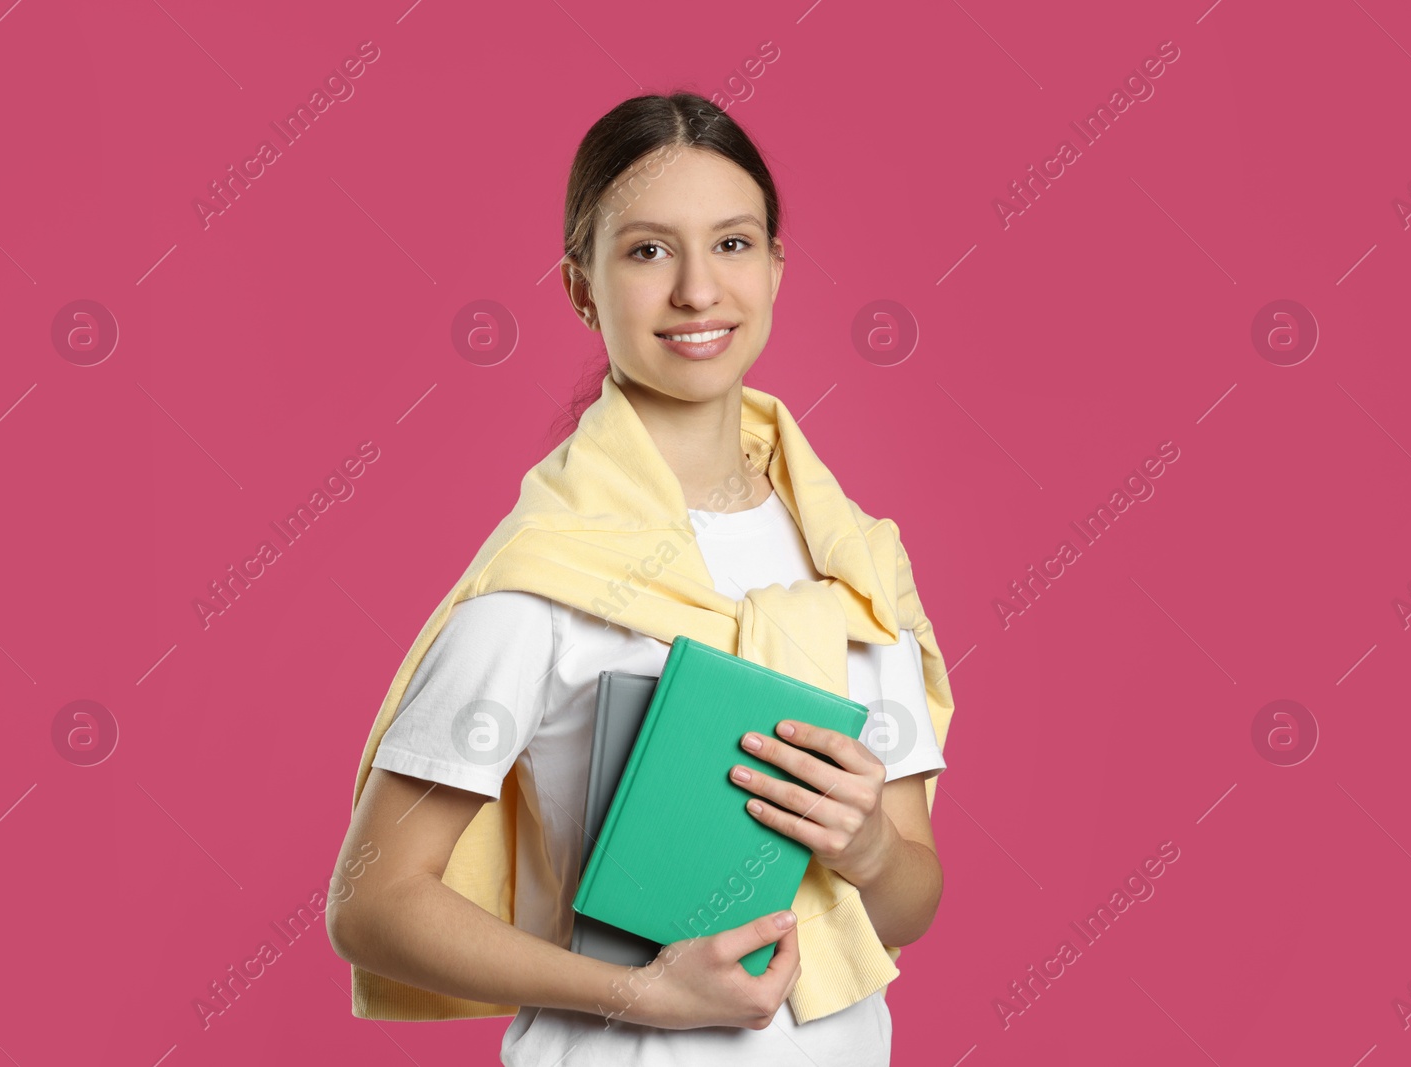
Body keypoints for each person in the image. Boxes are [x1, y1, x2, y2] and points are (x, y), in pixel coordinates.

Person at [326, 91, 950, 1066]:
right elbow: (372, 902)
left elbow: (910, 895)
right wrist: (641, 994)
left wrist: (866, 845)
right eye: (648, 251)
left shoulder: (855, 564)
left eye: (734, 244)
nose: (699, 290)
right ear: (581, 287)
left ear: (778, 267)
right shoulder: (547, 575)